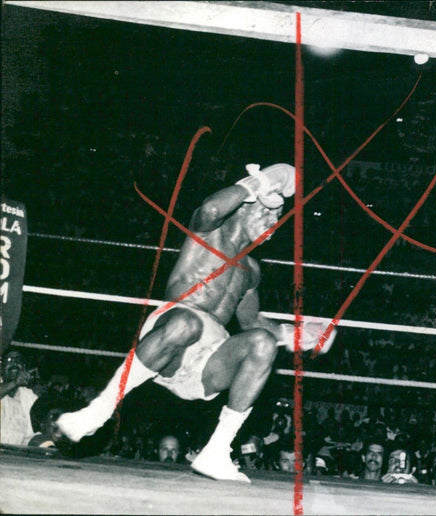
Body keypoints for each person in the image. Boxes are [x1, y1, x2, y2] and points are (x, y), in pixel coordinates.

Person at [56, 163, 336, 483]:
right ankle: (97, 412)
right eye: (268, 213)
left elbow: (252, 322)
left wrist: (299, 334)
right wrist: (261, 182)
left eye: (277, 218)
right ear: (245, 206)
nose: (274, 224)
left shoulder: (252, 271)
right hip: (172, 335)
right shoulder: (208, 232)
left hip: (208, 360)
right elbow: (212, 207)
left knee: (262, 342)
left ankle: (216, 451)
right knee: (188, 322)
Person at [0, 349, 38, 446]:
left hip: (16, 456)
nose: (14, 363)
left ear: (24, 368)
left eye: (18, 360)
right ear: (1, 367)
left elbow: (33, 434)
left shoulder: (29, 397)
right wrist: (14, 383)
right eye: (9, 360)